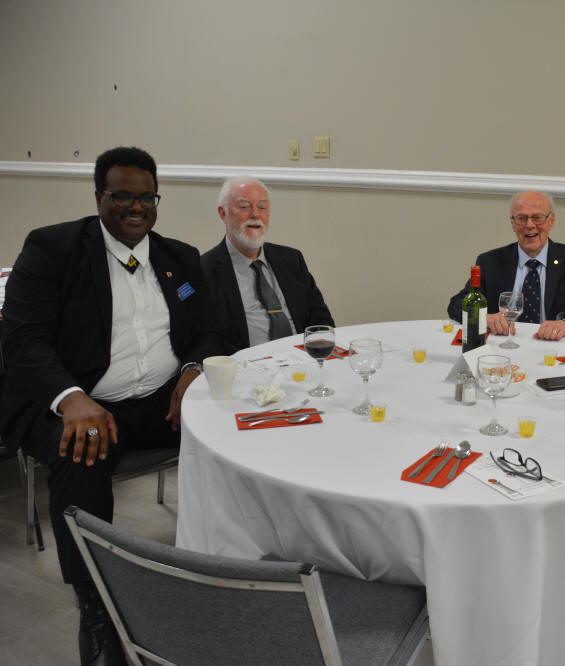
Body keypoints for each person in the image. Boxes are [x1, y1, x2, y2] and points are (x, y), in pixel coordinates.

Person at [0, 147, 224, 665]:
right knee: (83, 450)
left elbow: (211, 330)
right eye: (122, 196)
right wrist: (71, 398)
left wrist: (192, 370)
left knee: (230, 425)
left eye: (146, 198)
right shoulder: (53, 250)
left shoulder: (179, 260)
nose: (135, 207)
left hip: (160, 402)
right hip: (78, 403)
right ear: (99, 196)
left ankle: (226, 567)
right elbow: (23, 340)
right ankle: (95, 609)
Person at [447, 190, 565, 341]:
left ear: (551, 221)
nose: (529, 225)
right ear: (513, 223)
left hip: (554, 347)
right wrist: (484, 318)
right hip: (503, 346)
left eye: (537, 217)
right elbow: (456, 304)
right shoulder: (490, 261)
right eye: (521, 218)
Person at [201, 177, 334, 353]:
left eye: (262, 207)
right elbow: (208, 339)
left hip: (302, 359)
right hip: (248, 364)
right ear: (223, 213)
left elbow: (321, 320)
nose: (255, 214)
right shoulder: (204, 270)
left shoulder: (291, 259)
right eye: (244, 207)